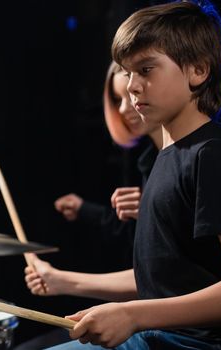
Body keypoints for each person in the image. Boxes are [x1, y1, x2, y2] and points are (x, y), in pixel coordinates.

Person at [47, 1, 221, 349]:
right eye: (127, 72)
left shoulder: (212, 155)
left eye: (146, 69)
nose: (133, 86)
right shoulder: (166, 157)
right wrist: (73, 286)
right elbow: (161, 281)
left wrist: (133, 315)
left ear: (198, 71)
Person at [14, 63, 161, 350]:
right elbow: (153, 270)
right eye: (117, 100)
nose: (123, 109)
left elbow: (175, 279)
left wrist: (129, 313)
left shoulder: (203, 157)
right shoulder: (151, 161)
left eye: (128, 97)